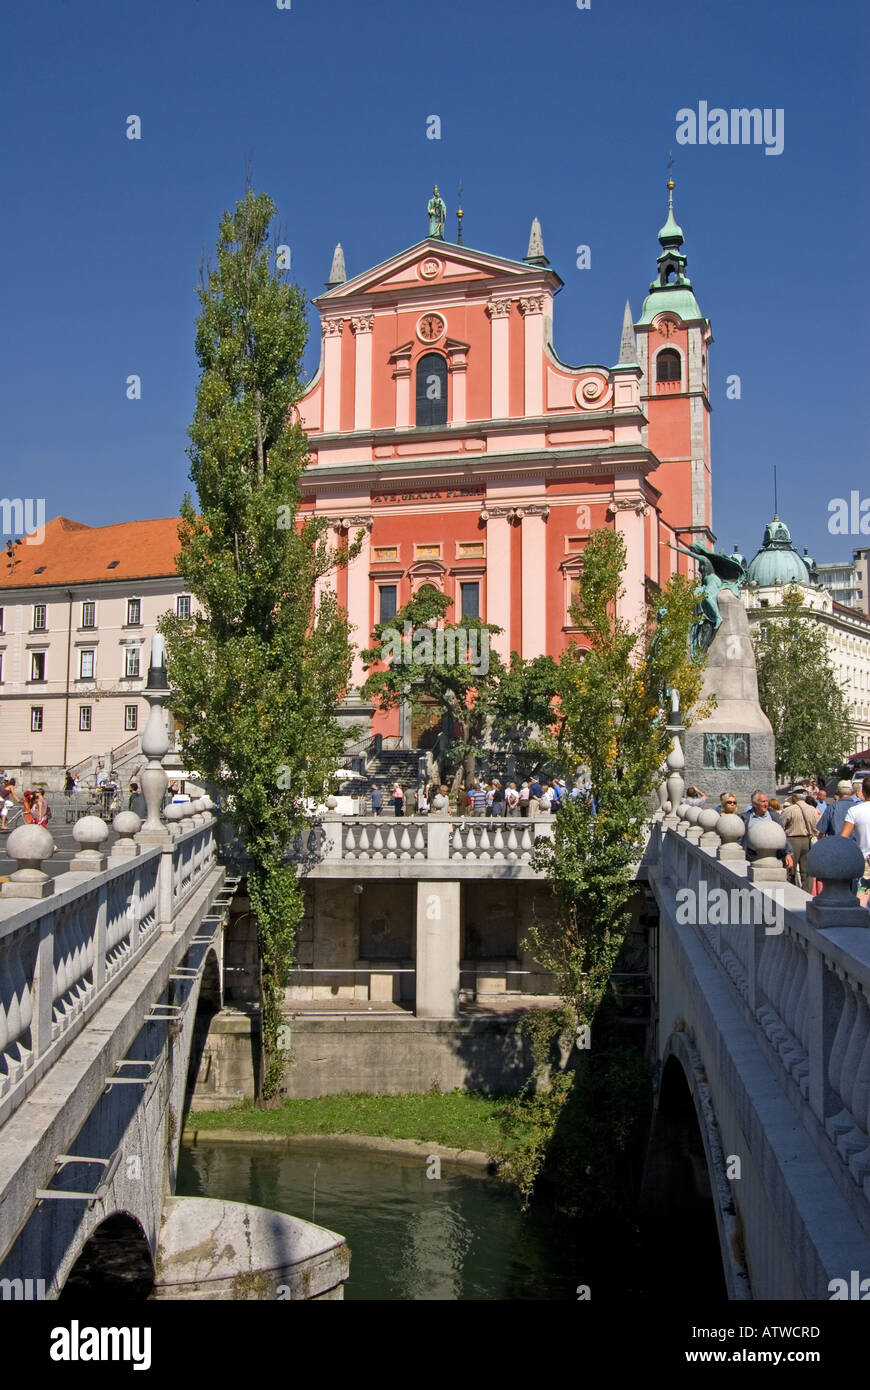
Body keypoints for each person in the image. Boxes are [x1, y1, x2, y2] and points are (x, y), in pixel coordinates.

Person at [779, 790, 821, 892]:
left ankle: (792, 892)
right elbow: (818, 828)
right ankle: (807, 893)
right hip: (808, 840)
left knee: (790, 869)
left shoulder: (789, 810)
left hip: (792, 841)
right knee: (807, 872)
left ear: (794, 797)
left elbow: (780, 826)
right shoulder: (813, 810)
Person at [741, 790, 793, 869]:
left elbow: (782, 834)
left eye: (766, 801)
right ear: (754, 804)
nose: (766, 804)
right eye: (763, 802)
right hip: (752, 857)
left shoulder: (774, 816)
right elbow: (740, 838)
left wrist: (787, 853)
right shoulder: (745, 818)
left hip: (774, 857)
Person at [841, 776, 870, 906]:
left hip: (865, 863)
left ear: (863, 792)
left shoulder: (855, 811)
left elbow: (842, 839)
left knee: (862, 905)